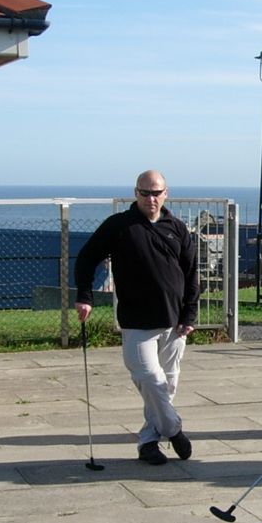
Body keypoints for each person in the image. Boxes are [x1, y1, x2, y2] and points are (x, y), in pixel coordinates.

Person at [75, 170, 199, 465]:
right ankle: (174, 429)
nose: (151, 199)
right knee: (150, 378)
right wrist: (85, 296)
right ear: (136, 193)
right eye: (145, 193)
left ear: (166, 194)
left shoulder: (177, 228)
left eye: (156, 193)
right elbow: (87, 257)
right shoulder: (119, 226)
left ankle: (148, 443)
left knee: (167, 384)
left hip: (174, 321)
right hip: (136, 321)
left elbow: (192, 272)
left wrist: (190, 313)